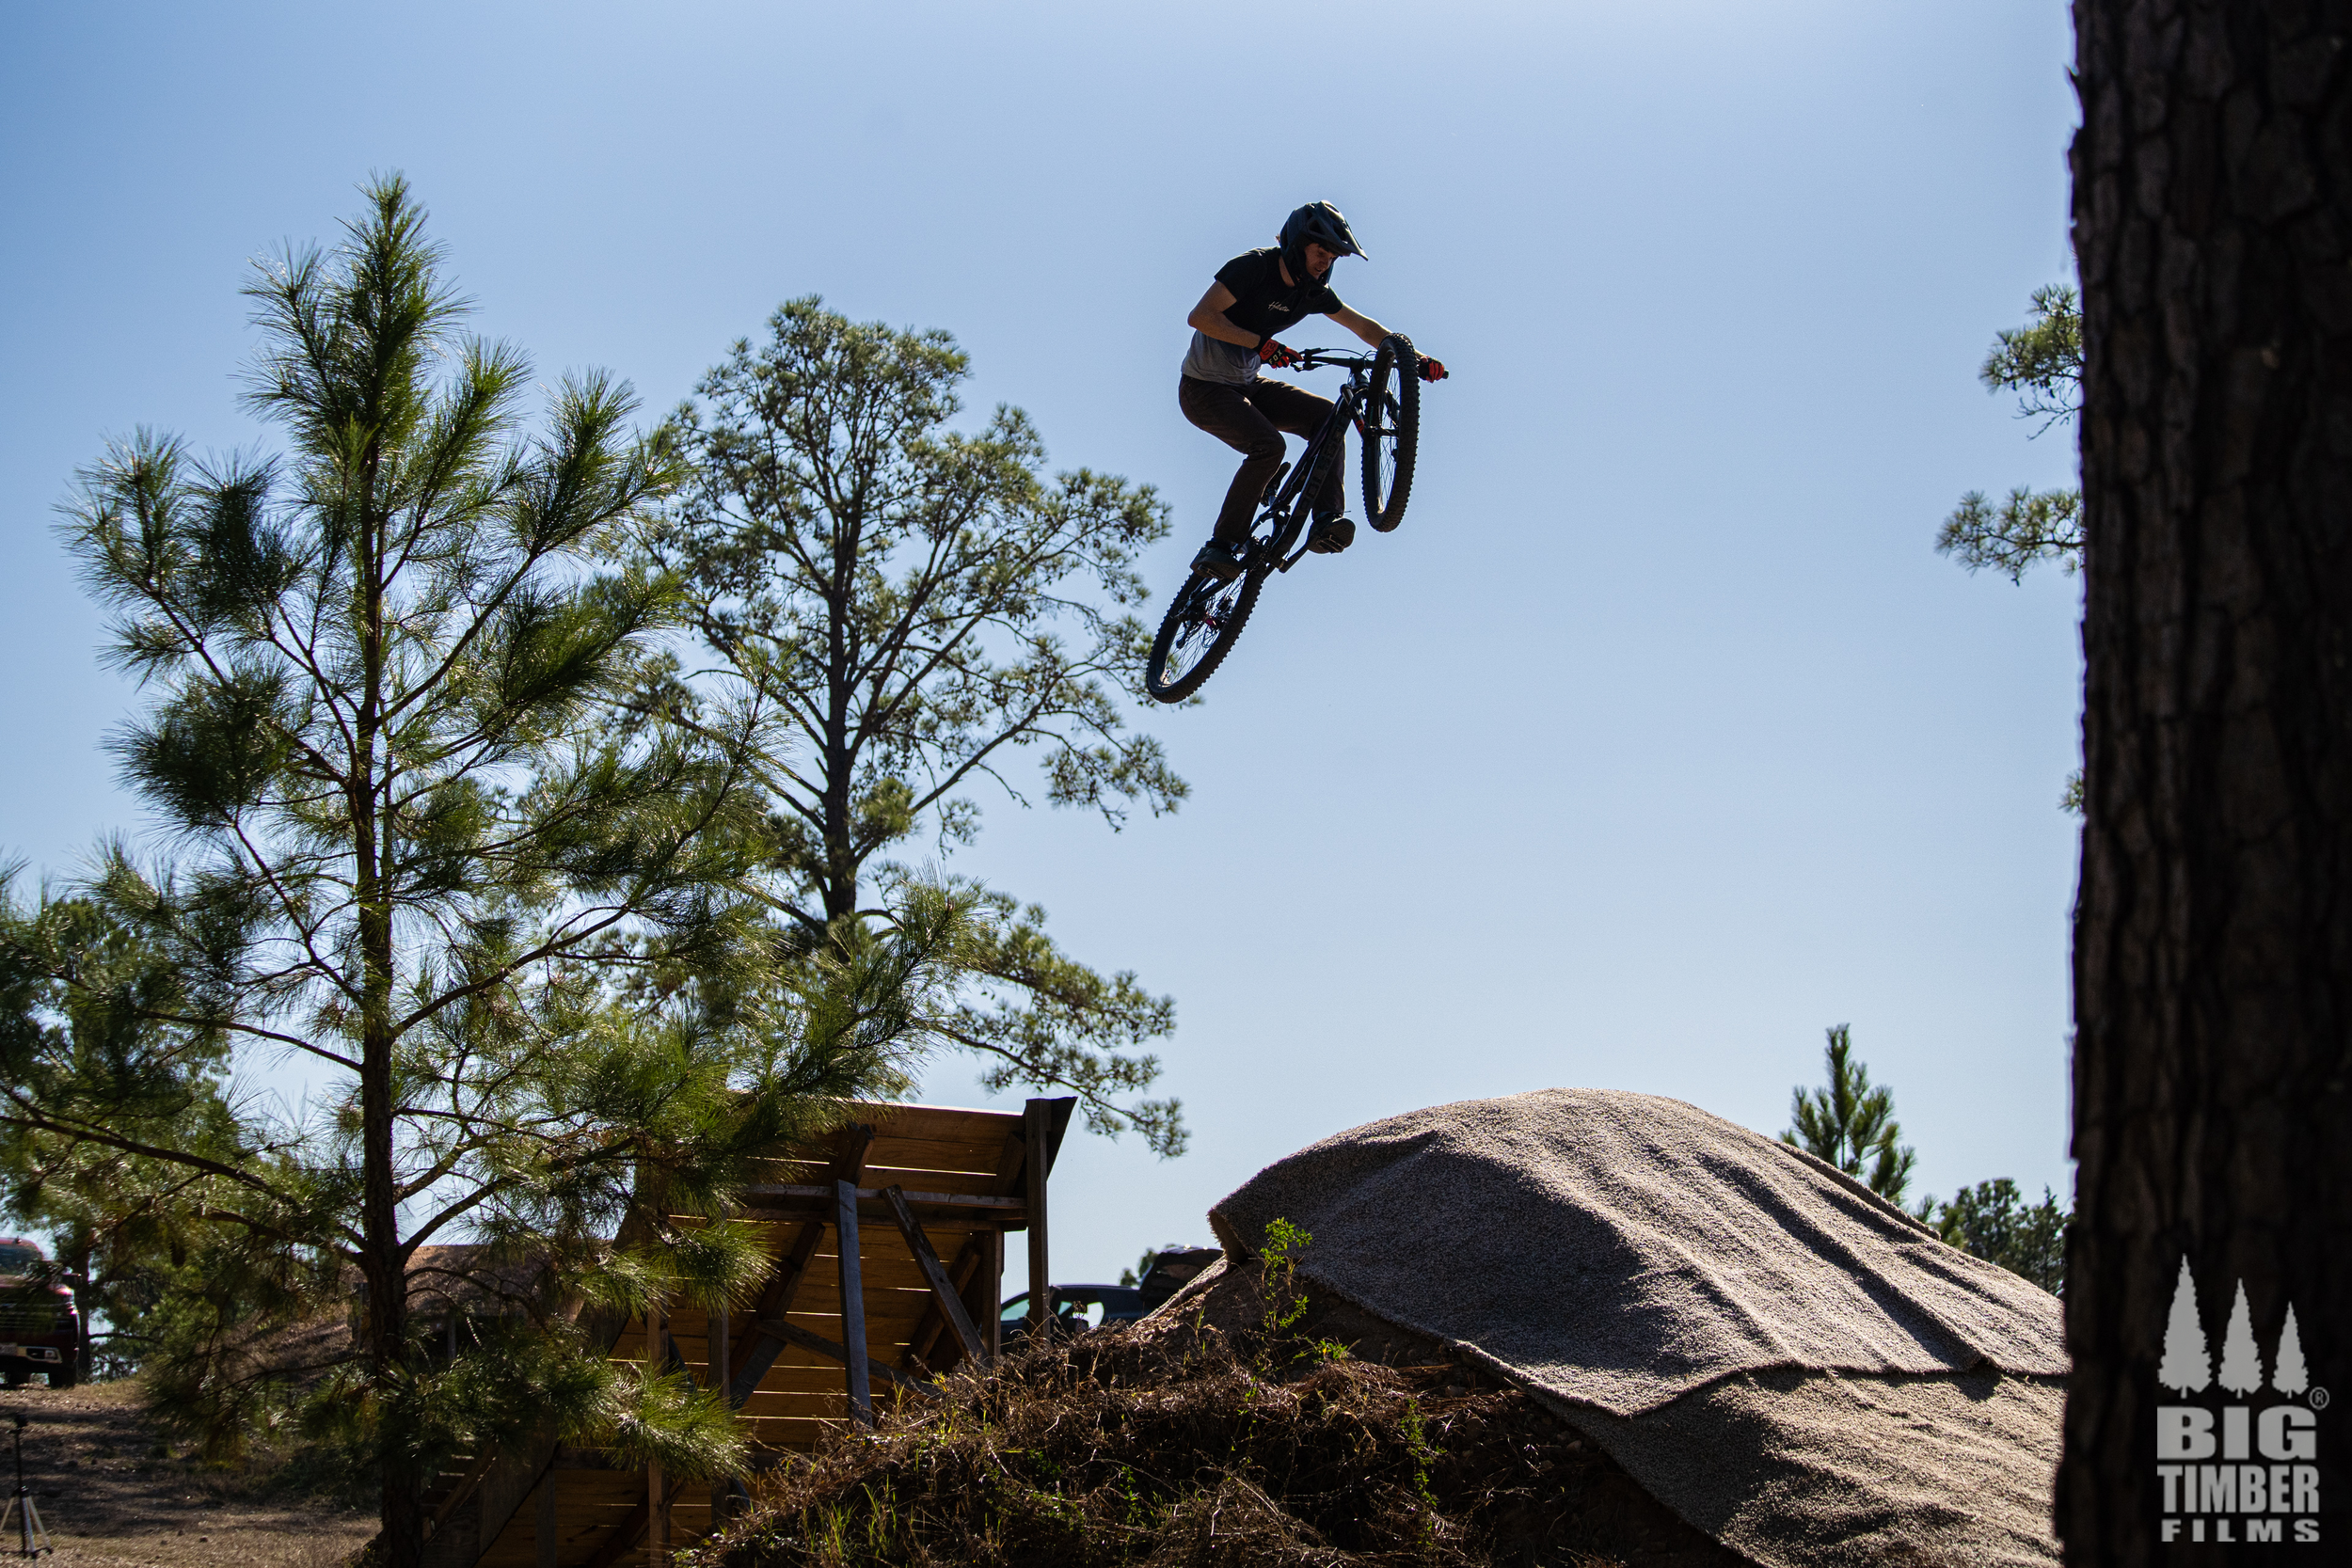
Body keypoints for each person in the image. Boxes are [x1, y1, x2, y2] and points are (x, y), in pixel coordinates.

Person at [1180, 201, 1444, 582]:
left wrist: (1413, 359)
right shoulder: (1254, 267)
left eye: (1333, 256)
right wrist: (1261, 344)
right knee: (1269, 447)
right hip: (1202, 388)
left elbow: (1365, 329)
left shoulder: (1313, 292)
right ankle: (1219, 546)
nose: (1326, 262)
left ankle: (1326, 519)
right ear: (1297, 244)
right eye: (1321, 252)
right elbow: (1200, 317)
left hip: (1247, 385)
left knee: (1326, 418)